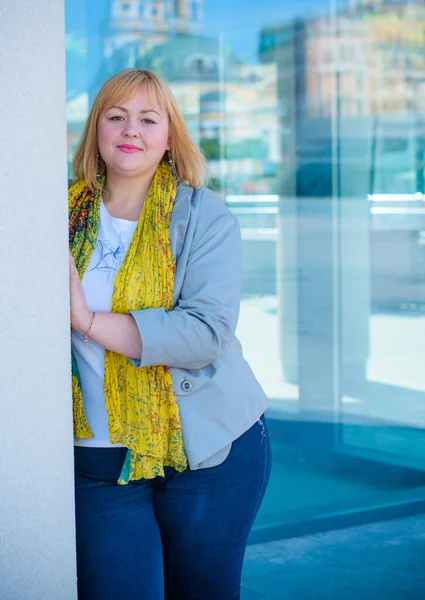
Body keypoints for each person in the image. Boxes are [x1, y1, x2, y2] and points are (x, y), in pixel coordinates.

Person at [69, 68, 271, 600]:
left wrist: (85, 321)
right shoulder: (57, 216)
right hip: (98, 457)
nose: (130, 129)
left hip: (208, 453)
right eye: (116, 117)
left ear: (168, 137)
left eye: (147, 119)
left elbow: (204, 333)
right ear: (96, 131)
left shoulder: (205, 217)